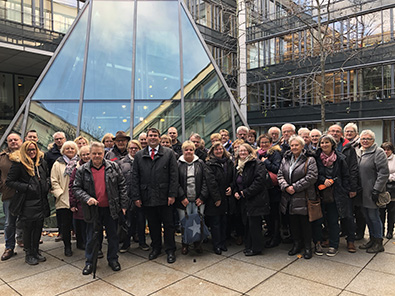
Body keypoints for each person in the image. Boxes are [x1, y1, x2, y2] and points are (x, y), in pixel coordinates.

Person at [73, 142, 128, 275]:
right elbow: (76, 188)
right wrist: (87, 198)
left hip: (111, 208)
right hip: (93, 209)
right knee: (92, 237)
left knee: (113, 236)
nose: (97, 156)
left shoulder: (113, 166)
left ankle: (113, 259)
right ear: (90, 154)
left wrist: (124, 205)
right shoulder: (82, 170)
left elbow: (122, 186)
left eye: (99, 153)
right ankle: (90, 262)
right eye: (94, 153)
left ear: (104, 153)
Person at [131, 128, 179, 264]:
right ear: (146, 138)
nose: (152, 138)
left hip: (165, 197)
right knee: (153, 225)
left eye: (155, 135)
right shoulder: (139, 155)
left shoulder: (169, 153)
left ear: (159, 138)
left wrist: (172, 194)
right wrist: (136, 197)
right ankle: (156, 248)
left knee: (169, 225)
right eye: (150, 135)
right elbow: (135, 177)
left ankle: (170, 250)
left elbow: (174, 176)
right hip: (147, 197)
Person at [6, 141, 50, 265]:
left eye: (33, 150)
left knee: (38, 227)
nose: (32, 152)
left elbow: (46, 176)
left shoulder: (41, 162)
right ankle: (28, 253)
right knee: (28, 228)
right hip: (27, 202)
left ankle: (35, 250)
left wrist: (47, 184)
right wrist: (27, 187)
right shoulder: (19, 164)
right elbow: (10, 181)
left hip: (41, 200)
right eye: (29, 150)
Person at [278, 135, 318, 259]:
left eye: (297, 145)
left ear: (302, 146)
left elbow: (312, 177)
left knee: (305, 223)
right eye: (292, 145)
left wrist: (294, 187)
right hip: (288, 197)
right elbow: (280, 175)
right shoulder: (286, 159)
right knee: (293, 223)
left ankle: (307, 247)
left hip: (303, 196)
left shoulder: (309, 159)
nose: (294, 147)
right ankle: (296, 244)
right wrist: (286, 187)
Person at [313, 134, 352, 257]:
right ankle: (317, 243)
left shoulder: (340, 158)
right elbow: (313, 172)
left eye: (327, 142)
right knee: (318, 220)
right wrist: (323, 179)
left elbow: (345, 176)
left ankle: (334, 245)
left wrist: (344, 190)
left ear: (332, 144)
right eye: (322, 143)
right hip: (319, 193)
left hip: (336, 194)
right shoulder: (315, 157)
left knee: (333, 220)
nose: (324, 145)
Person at [176, 140, 213, 255]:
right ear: (183, 151)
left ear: (194, 150)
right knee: (184, 223)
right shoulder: (177, 164)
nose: (188, 151)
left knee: (198, 221)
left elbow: (205, 181)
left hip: (198, 200)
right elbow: (175, 182)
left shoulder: (200, 163)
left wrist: (202, 197)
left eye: (191, 149)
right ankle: (185, 243)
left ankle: (197, 243)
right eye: (186, 149)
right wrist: (182, 197)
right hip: (184, 200)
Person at [356, 130, 389, 253]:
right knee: (367, 216)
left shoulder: (378, 152)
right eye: (363, 139)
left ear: (373, 140)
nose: (365, 141)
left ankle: (378, 242)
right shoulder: (359, 151)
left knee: (374, 217)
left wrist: (376, 190)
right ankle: (372, 239)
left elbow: (383, 173)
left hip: (372, 192)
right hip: (362, 192)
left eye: (368, 139)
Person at [234, 144, 270, 256]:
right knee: (247, 224)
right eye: (241, 151)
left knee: (255, 225)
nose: (243, 153)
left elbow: (259, 182)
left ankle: (256, 248)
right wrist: (236, 191)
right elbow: (235, 180)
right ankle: (249, 246)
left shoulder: (257, 163)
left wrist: (246, 193)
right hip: (243, 199)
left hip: (255, 198)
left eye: (245, 151)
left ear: (250, 152)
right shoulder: (237, 164)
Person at [119, 140, 149, 252]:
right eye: (131, 148)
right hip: (127, 197)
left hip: (141, 196)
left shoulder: (143, 161)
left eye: (135, 148)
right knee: (128, 222)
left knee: (141, 221)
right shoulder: (121, 163)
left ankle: (142, 242)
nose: (133, 150)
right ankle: (126, 244)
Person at [51, 140, 79, 257]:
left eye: (72, 148)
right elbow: (53, 180)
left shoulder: (80, 162)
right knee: (65, 225)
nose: (70, 150)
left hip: (77, 198)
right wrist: (60, 194)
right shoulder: (57, 164)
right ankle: (67, 246)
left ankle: (81, 243)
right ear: (63, 150)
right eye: (67, 148)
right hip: (63, 199)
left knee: (79, 223)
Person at [205, 142, 234, 255]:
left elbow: (233, 177)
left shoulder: (229, 162)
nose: (219, 151)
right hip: (215, 198)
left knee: (224, 221)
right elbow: (211, 182)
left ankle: (223, 243)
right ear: (212, 151)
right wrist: (217, 198)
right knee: (215, 223)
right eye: (216, 149)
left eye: (220, 149)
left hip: (227, 197)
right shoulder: (209, 164)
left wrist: (231, 187)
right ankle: (216, 245)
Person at [256, 134, 282, 248]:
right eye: (262, 142)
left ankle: (276, 237)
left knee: (275, 214)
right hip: (263, 189)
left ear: (271, 143)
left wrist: (266, 162)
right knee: (267, 213)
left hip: (274, 189)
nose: (264, 144)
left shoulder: (275, 153)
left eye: (266, 142)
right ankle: (270, 232)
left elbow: (277, 168)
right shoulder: (258, 154)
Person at [0, 133, 23, 261]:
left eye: (15, 139)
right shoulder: (2, 158)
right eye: (10, 140)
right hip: (9, 194)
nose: (13, 142)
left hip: (26, 194)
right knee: (9, 223)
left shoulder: (28, 154)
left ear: (21, 141)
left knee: (26, 220)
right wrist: (2, 187)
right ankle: (9, 247)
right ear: (7, 143)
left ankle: (27, 244)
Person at [68, 145, 90, 250]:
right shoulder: (76, 170)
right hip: (79, 202)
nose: (86, 156)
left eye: (87, 154)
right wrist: (72, 203)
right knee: (81, 226)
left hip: (92, 202)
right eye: (83, 155)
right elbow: (72, 187)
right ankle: (82, 244)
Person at [380, 142, 395, 239]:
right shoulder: (379, 158)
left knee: (391, 211)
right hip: (381, 188)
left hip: (392, 188)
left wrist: (387, 177)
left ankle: (390, 231)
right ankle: (381, 230)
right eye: (384, 149)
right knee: (381, 211)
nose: (386, 152)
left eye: (388, 149)